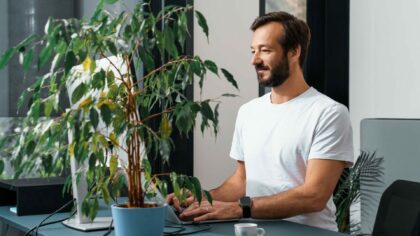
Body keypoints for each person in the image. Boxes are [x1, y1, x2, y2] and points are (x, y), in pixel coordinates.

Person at [167, 11, 354, 232]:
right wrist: (200, 199)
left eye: (265, 50)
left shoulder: (329, 113)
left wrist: (240, 209)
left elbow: (314, 195)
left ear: (294, 52)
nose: (255, 60)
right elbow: (241, 180)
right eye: (253, 51)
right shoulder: (249, 112)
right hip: (255, 229)